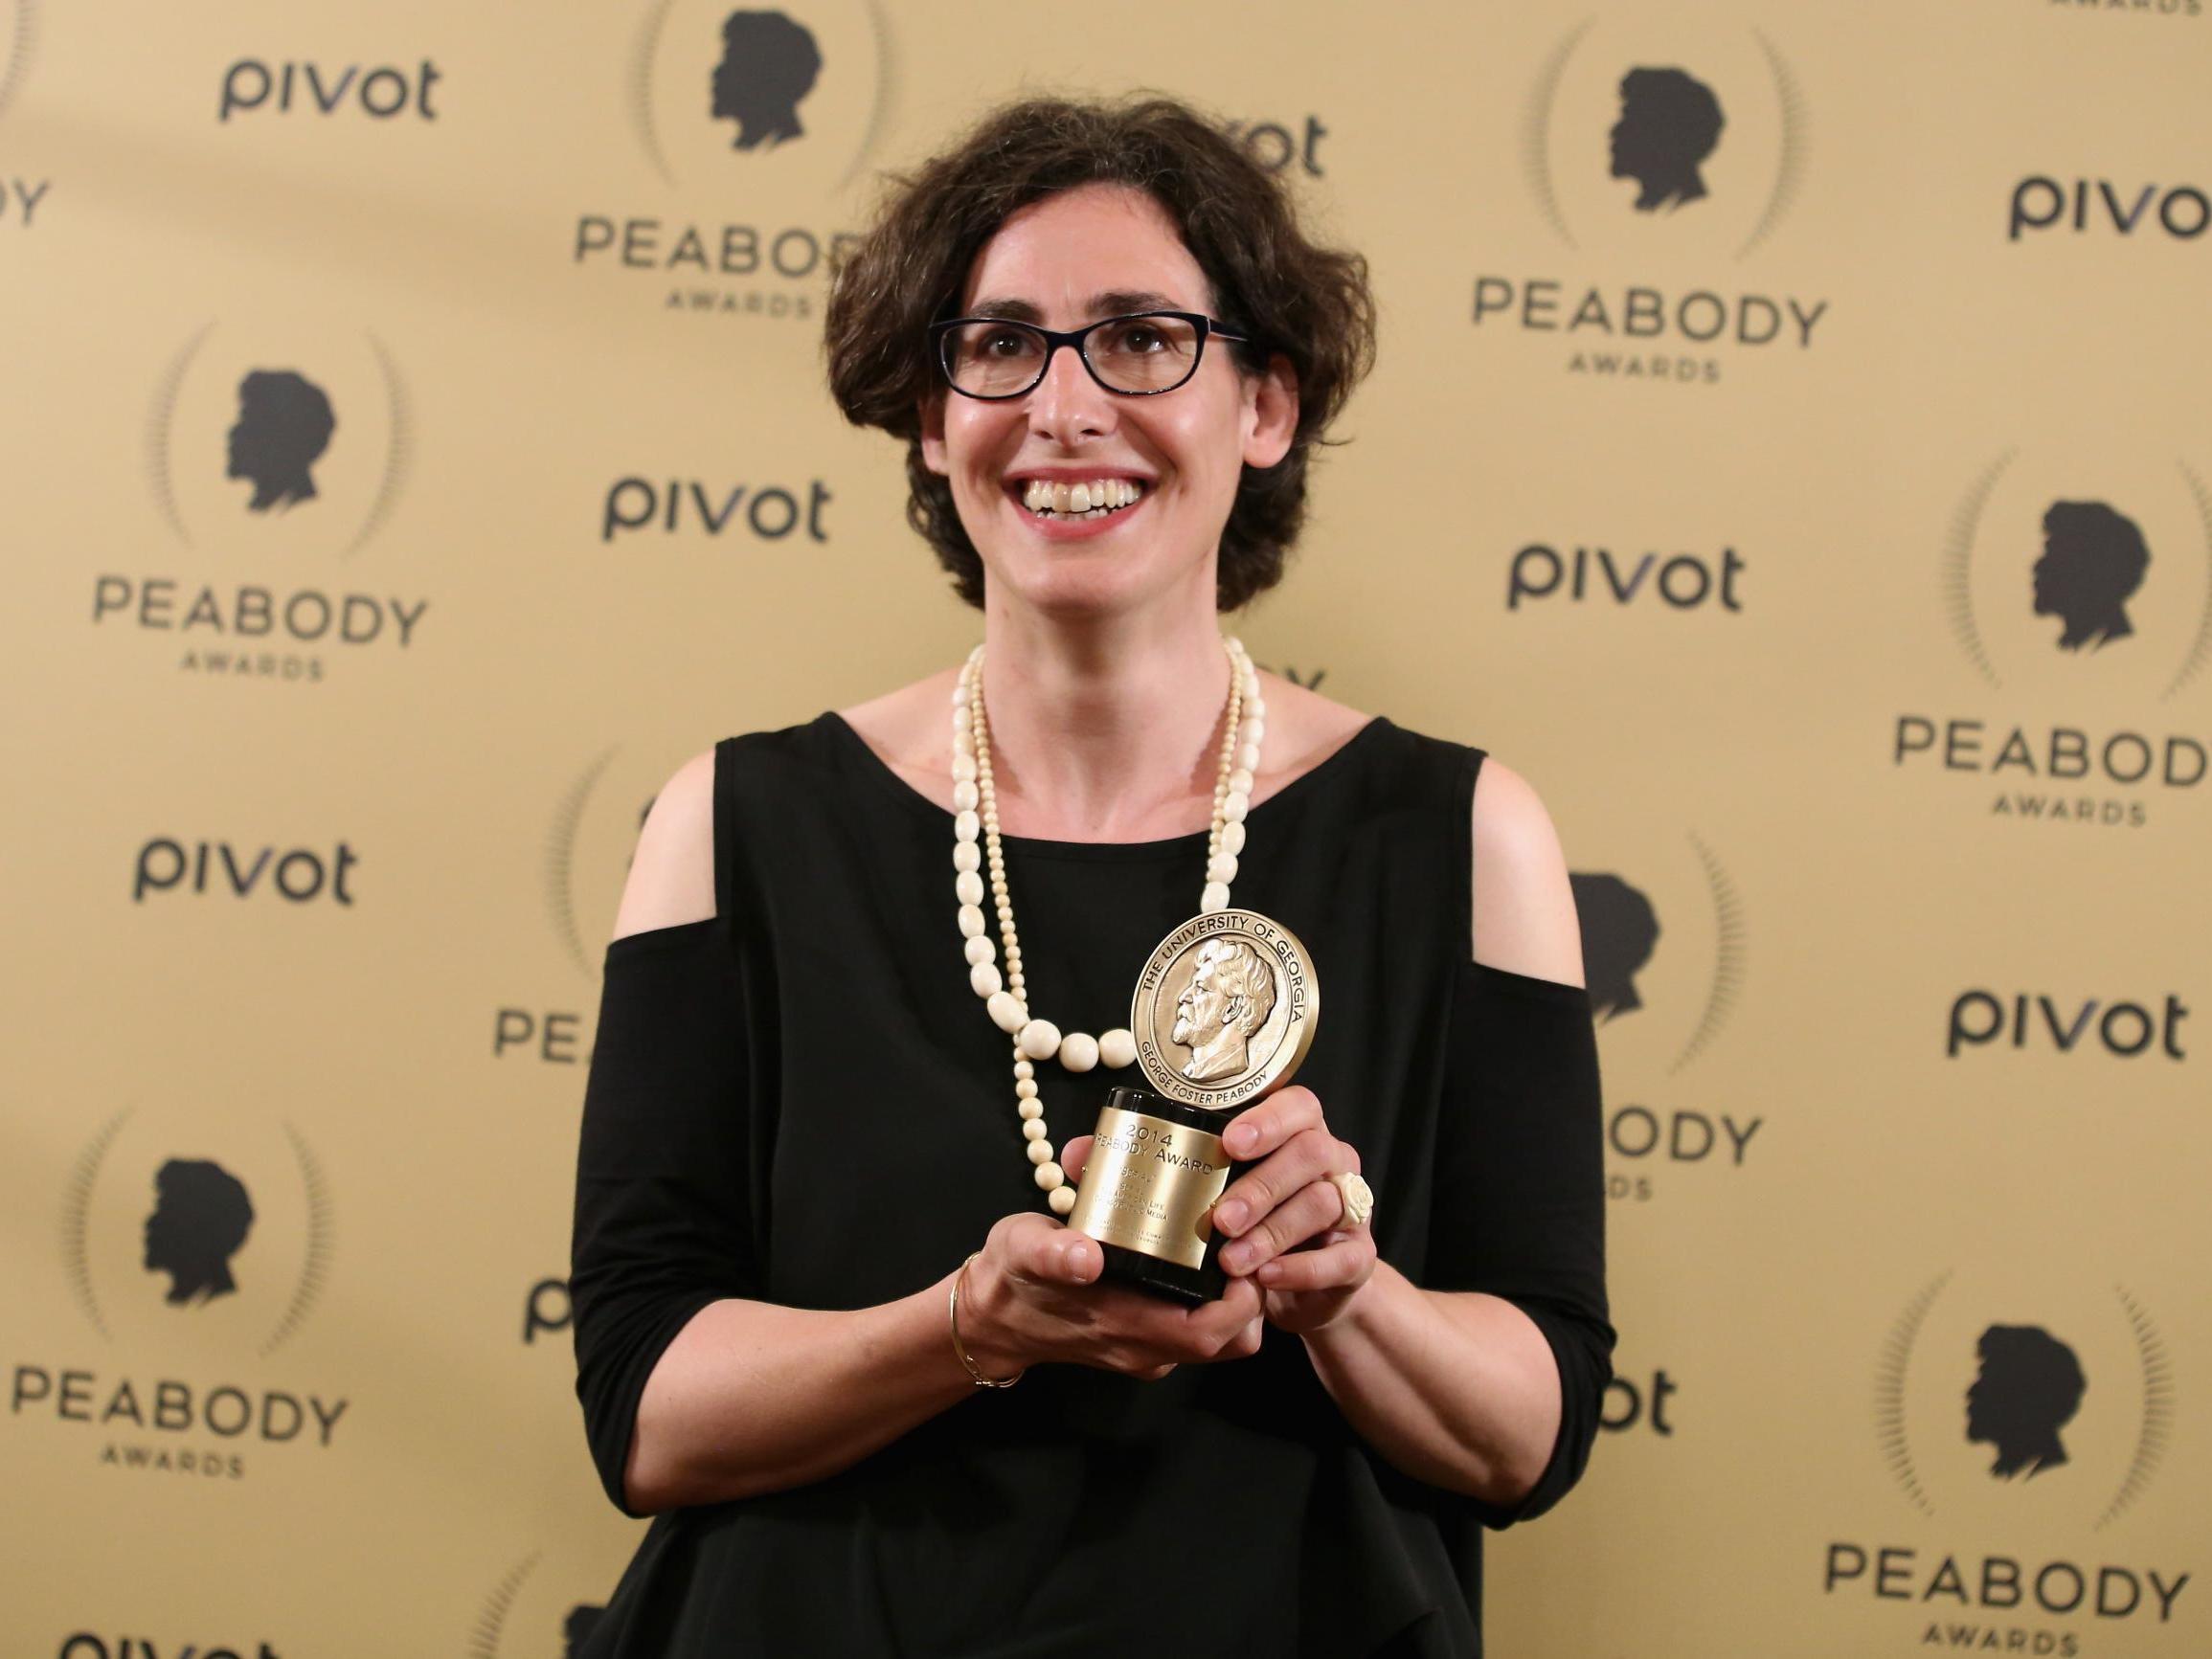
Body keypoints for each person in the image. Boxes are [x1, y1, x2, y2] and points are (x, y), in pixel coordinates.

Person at [570, 95, 1612, 1657]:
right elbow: (643, 1411)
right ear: (930, 419)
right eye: (997, 344)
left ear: (1266, 402)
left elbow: (1528, 1432)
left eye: (1140, 338)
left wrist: (1347, 1293)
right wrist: (960, 1331)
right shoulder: (733, 821)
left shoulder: (1464, 838)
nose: (1063, 406)